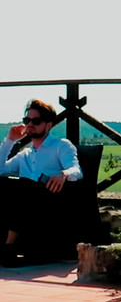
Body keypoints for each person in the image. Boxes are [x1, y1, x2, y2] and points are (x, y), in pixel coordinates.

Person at [0, 99, 82, 266]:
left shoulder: (61, 146)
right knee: (10, 185)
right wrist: (10, 141)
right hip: (26, 208)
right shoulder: (25, 154)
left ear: (48, 125)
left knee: (25, 185)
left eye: (36, 121)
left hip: (51, 206)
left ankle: (8, 246)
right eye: (27, 121)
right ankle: (8, 247)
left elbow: (77, 171)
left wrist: (63, 174)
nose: (30, 125)